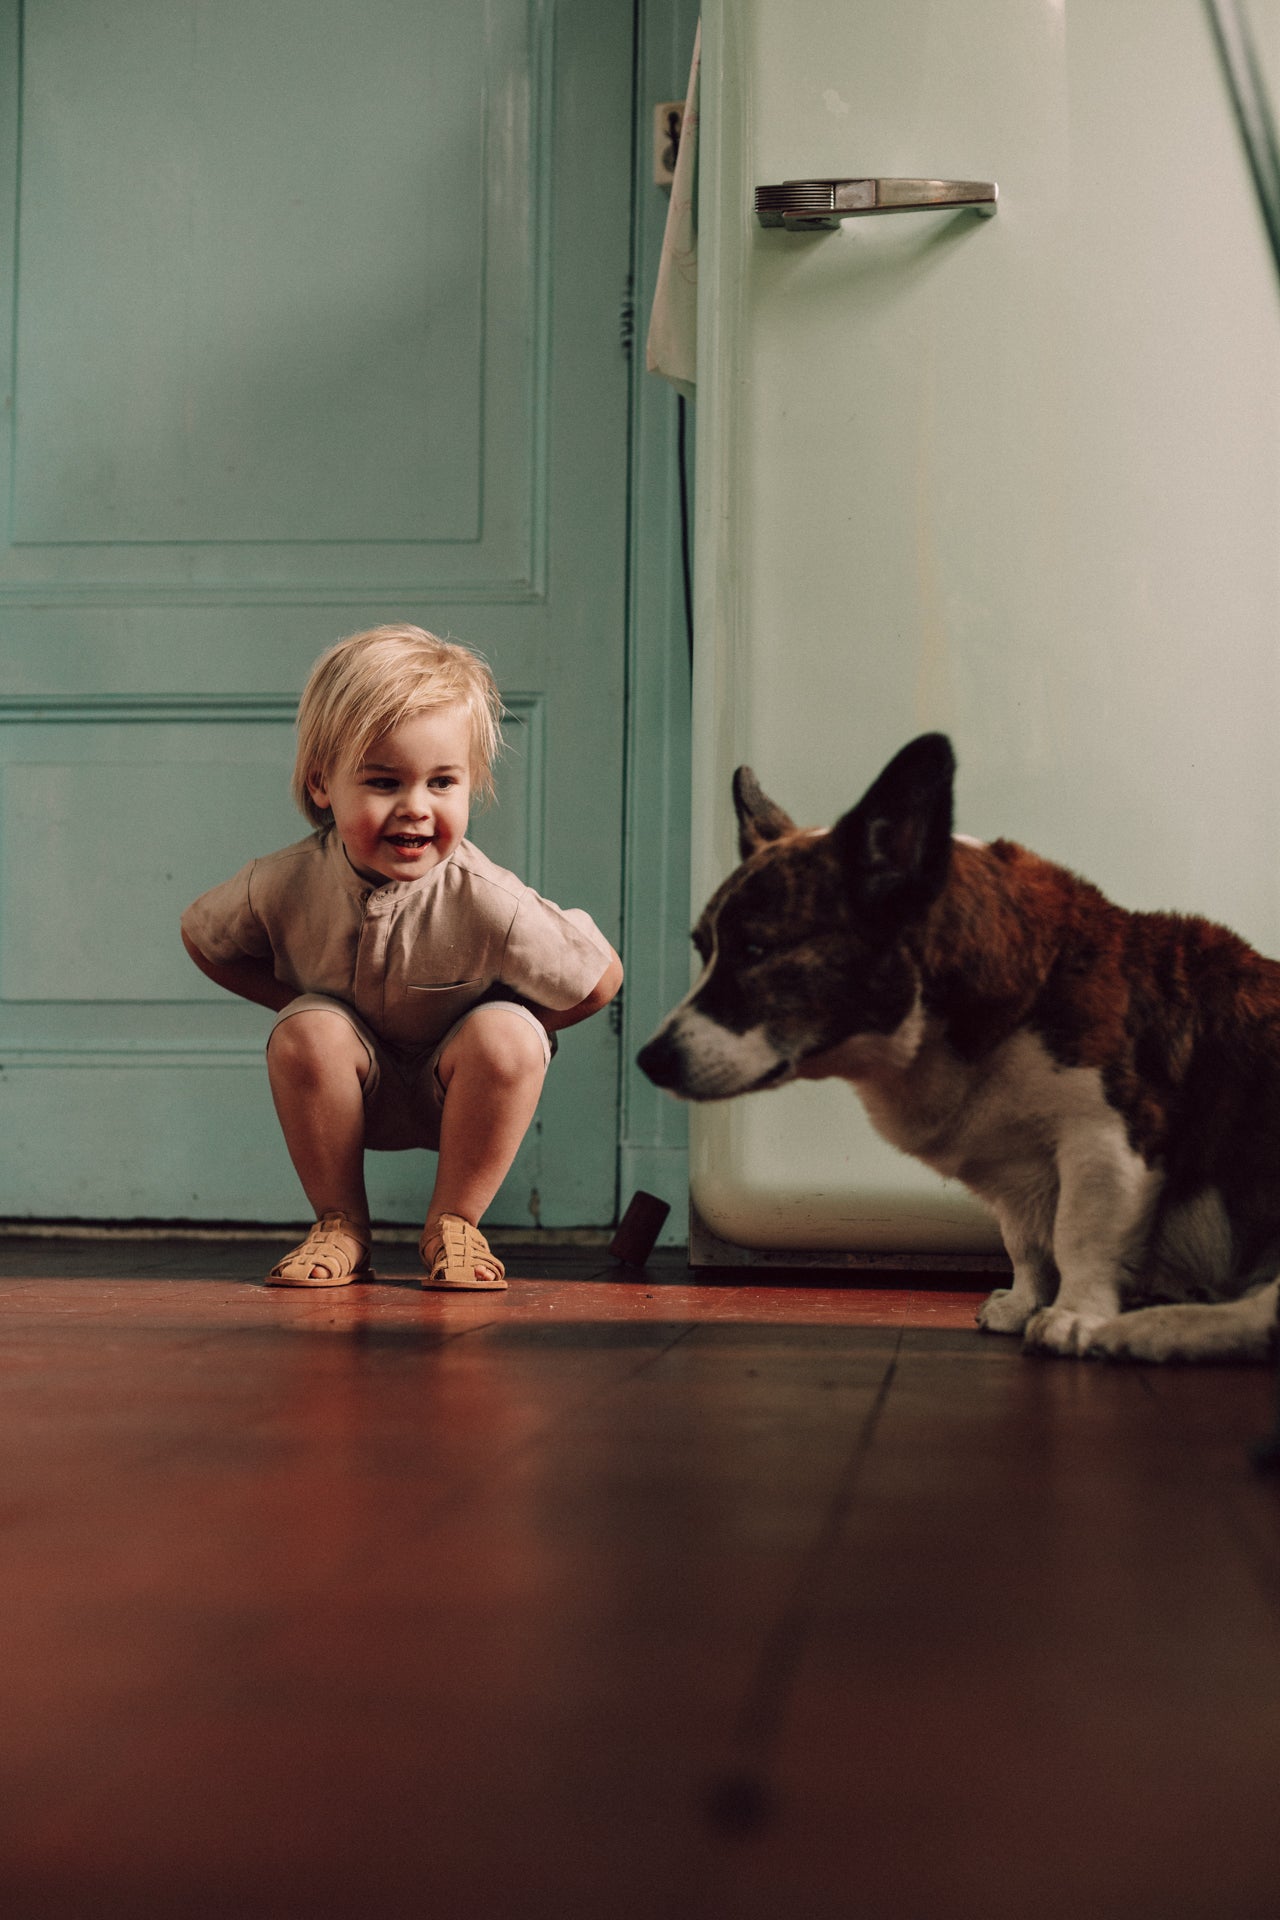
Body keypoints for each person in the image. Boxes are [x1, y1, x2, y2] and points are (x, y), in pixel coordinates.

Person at [181, 625, 622, 1290]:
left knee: (508, 1034)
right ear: (322, 784)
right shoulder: (285, 881)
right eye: (385, 782)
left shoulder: (487, 898)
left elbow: (599, 979)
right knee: (308, 1030)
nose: (416, 809)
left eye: (442, 782)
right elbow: (202, 935)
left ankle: (455, 1224)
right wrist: (298, 1004)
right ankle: (340, 1225)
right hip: (356, 1089)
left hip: (455, 1092)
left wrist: (521, 1034)